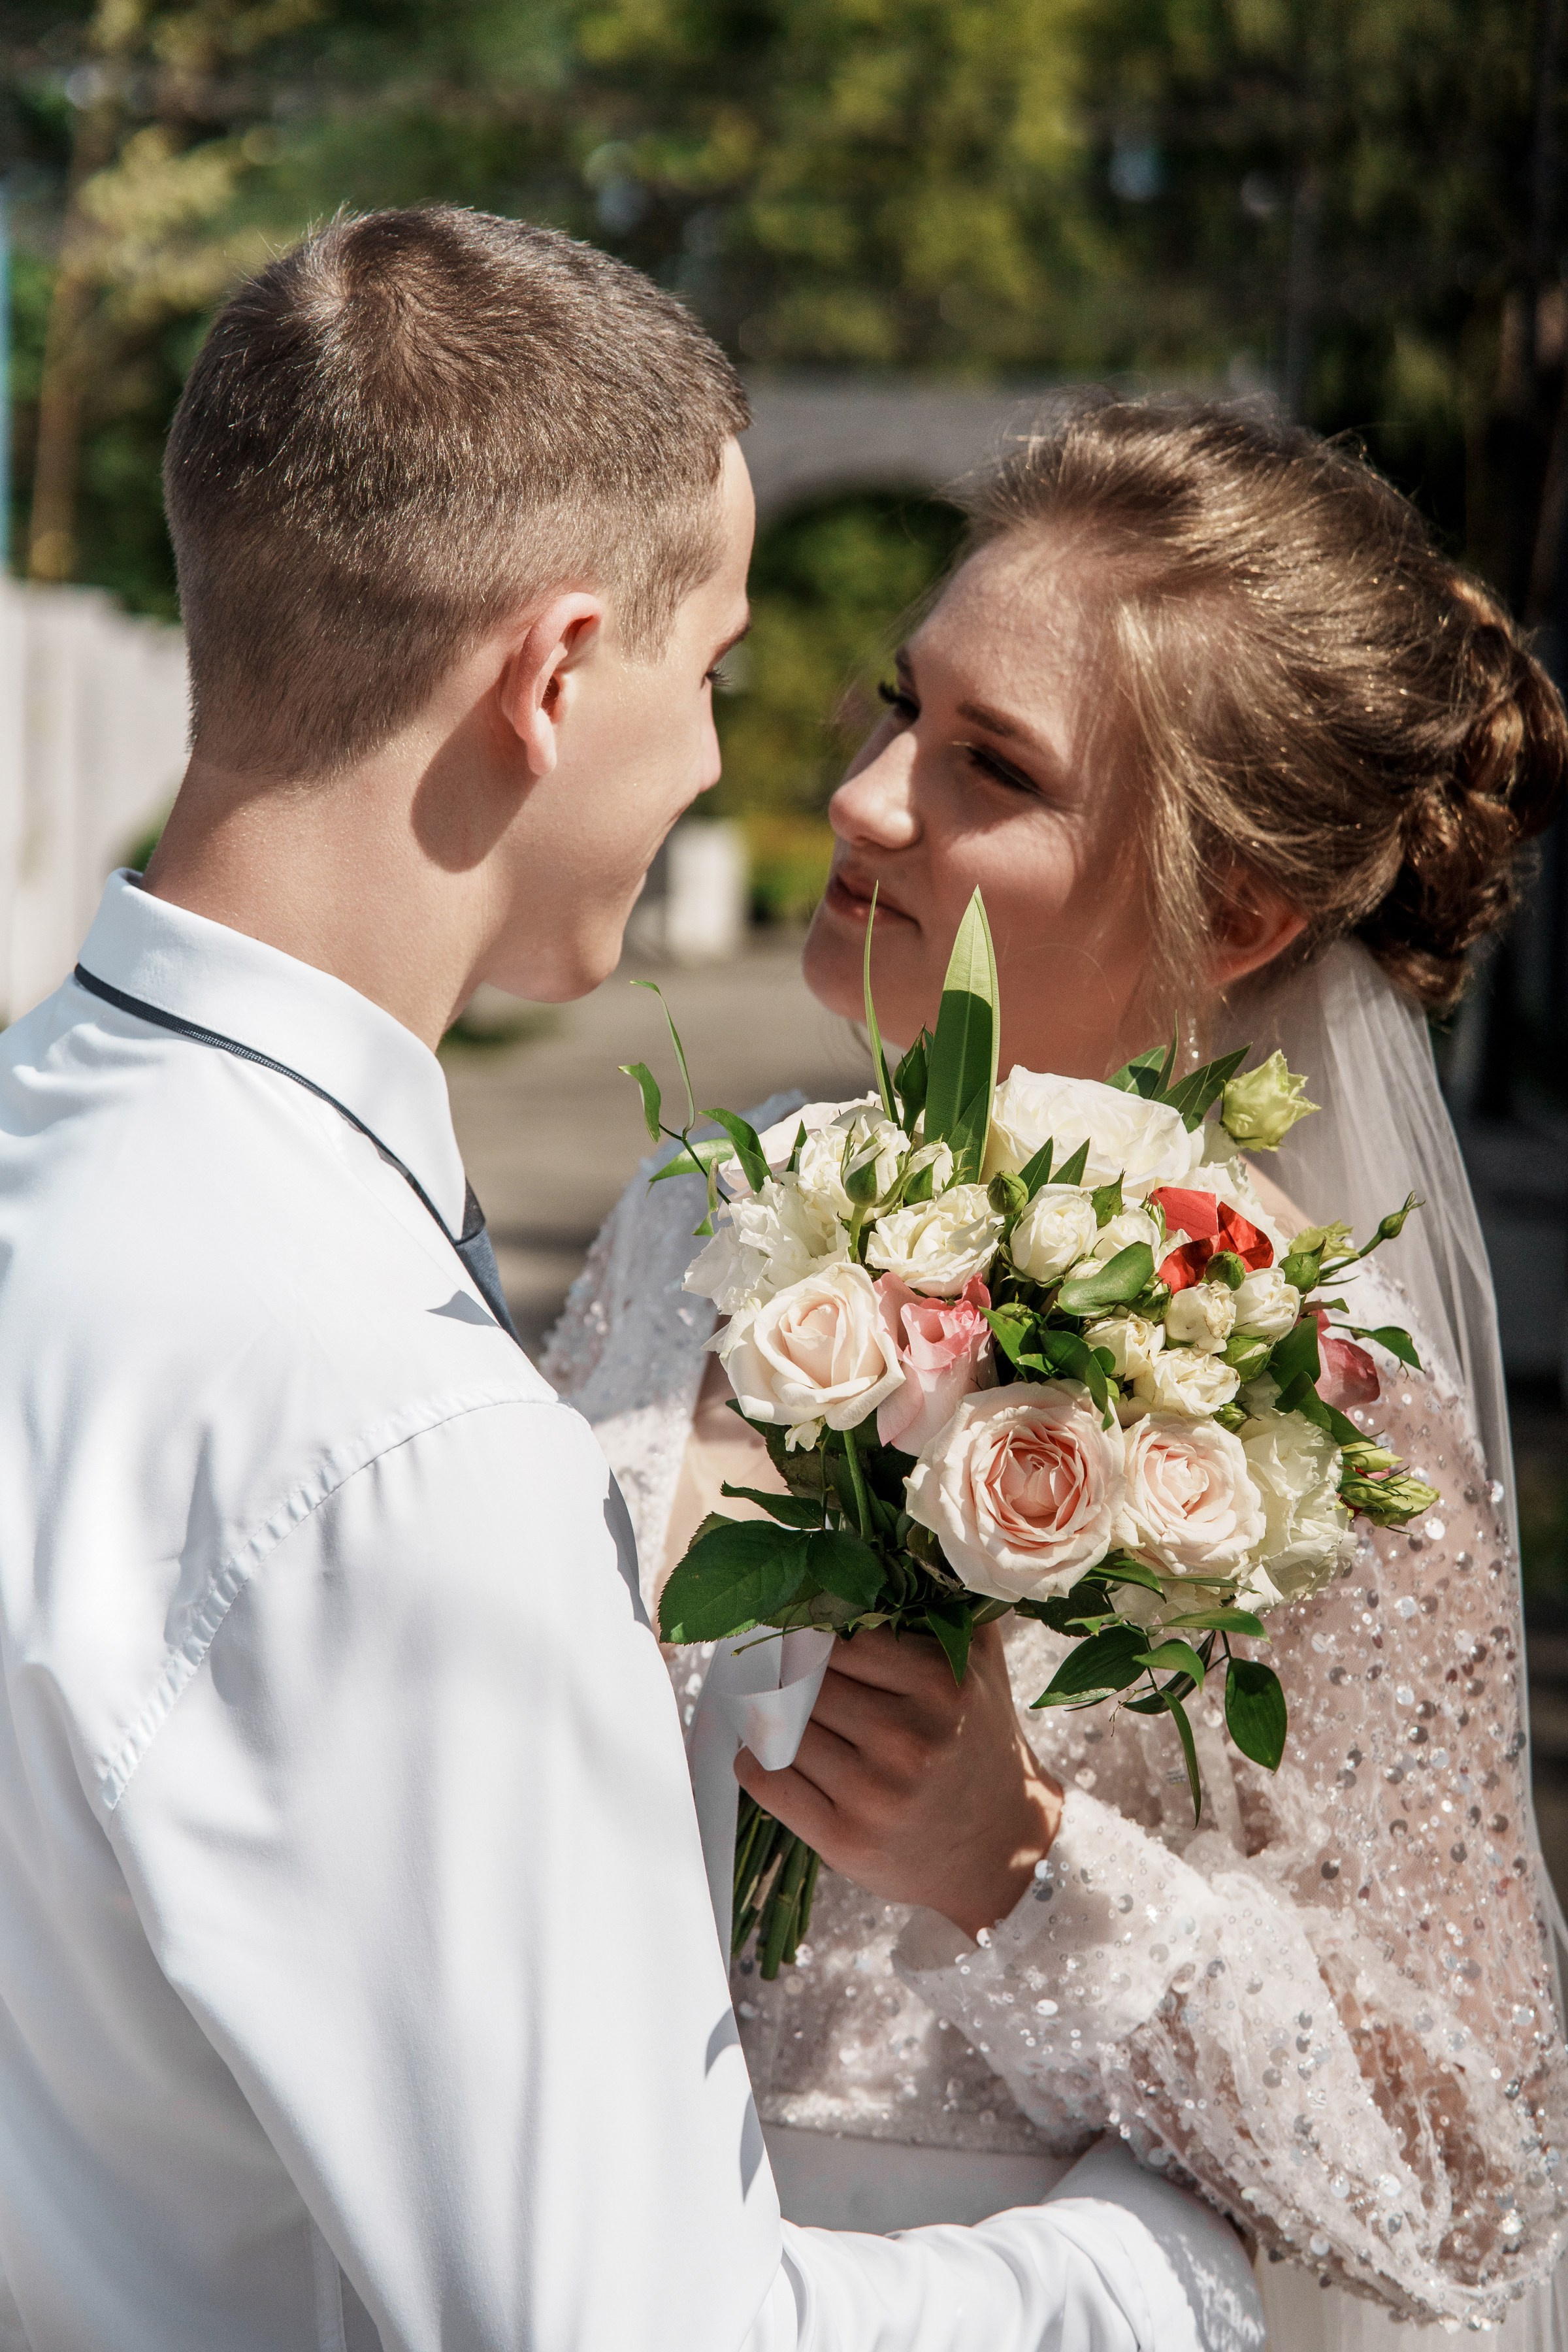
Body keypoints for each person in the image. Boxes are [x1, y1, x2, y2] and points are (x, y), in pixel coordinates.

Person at [0, 213, 1259, 2352]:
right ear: (558, 675)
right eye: (724, 675)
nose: (733, 766)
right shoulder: (396, 1441)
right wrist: (1152, 2278)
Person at [546, 397, 1568, 2345]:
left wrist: (1020, 1870)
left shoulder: (1320, 1407)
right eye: (895, 707)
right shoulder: (697, 1217)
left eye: (988, 767)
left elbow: (1471, 2176)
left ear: (1240, 914)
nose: (861, 798)